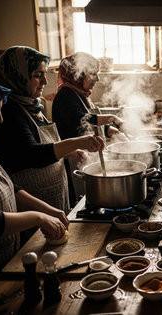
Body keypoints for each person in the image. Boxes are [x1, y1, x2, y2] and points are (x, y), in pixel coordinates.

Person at [0, 46, 104, 214]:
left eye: (44, 74)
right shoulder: (8, 112)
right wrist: (77, 142)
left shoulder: (33, 105)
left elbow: (43, 143)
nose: (45, 81)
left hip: (52, 195)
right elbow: (30, 154)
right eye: (37, 75)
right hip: (32, 206)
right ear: (17, 75)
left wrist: (70, 152)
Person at [0, 79, 69, 285]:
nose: (0, 119)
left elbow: (9, 186)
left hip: (7, 258)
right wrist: (38, 218)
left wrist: (47, 209)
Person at [51, 52, 125, 205]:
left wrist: (110, 130)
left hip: (89, 159)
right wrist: (112, 118)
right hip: (75, 162)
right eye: (93, 74)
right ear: (78, 74)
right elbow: (79, 120)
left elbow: (89, 125)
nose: (97, 79)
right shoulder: (65, 95)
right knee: (82, 201)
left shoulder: (81, 94)